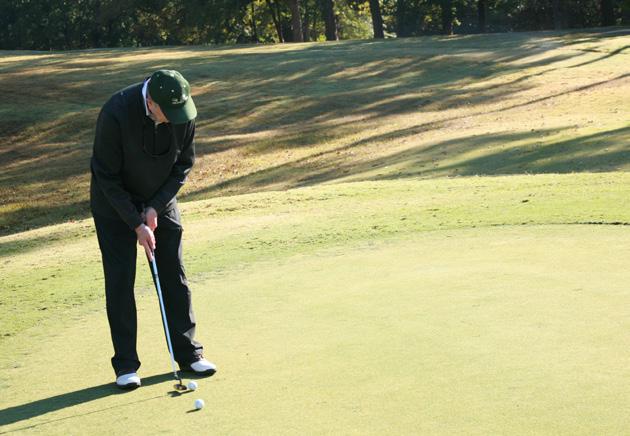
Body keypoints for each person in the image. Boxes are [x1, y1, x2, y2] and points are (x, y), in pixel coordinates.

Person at [90, 70, 215, 389]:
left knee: (174, 274)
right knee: (120, 281)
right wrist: (135, 222)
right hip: (113, 205)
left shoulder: (182, 111)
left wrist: (155, 208)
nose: (175, 120)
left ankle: (189, 354)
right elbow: (105, 176)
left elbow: (183, 165)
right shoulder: (116, 112)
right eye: (168, 113)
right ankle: (126, 366)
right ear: (150, 102)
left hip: (160, 199)